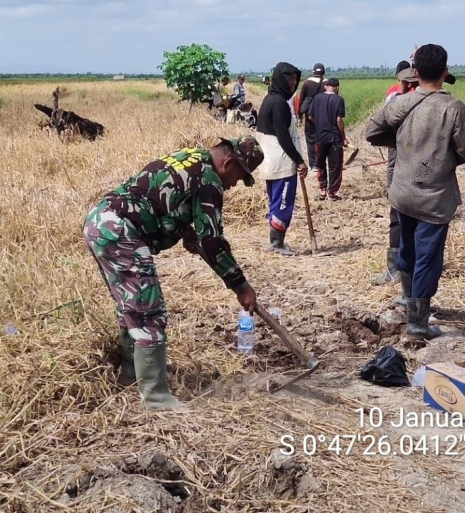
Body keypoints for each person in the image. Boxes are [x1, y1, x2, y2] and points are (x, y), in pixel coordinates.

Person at [83, 136, 263, 410]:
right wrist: (241, 286)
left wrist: (184, 230)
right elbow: (213, 243)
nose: (233, 184)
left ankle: (132, 376)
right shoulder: (210, 180)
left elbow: (162, 197)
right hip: (122, 231)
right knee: (148, 311)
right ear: (228, 163)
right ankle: (156, 399)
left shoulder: (189, 156)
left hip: (100, 221)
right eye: (238, 177)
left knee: (131, 306)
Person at [364, 44, 465, 342]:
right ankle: (417, 325)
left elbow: (371, 132)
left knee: (408, 250)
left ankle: (407, 301)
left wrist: (401, 141)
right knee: (428, 258)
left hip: (402, 191)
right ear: (445, 71)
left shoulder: (402, 102)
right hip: (433, 197)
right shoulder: (453, 108)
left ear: (415, 72)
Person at [256, 62, 308, 256]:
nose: (294, 83)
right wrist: (299, 160)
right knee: (283, 202)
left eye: (295, 79)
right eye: (291, 79)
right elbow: (283, 137)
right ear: (282, 79)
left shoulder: (270, 99)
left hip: (270, 159)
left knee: (276, 200)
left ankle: (276, 241)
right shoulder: (278, 104)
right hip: (281, 160)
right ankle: (276, 243)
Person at [375, 62, 419, 286]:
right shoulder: (438, 100)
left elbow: (377, 128)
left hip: (404, 166)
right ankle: (406, 273)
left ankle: (397, 272)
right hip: (423, 174)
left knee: (399, 218)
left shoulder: (398, 96)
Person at [308, 78, 348, 201]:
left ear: (326, 86)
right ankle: (332, 193)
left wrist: (320, 124)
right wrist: (344, 137)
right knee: (335, 166)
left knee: (320, 164)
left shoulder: (317, 98)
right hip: (334, 138)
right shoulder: (339, 99)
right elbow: (339, 120)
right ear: (336, 87)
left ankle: (322, 190)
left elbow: (310, 116)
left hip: (320, 137)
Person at [294, 63, 326, 172]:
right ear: (323, 72)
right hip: (324, 116)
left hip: (309, 116)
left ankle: (314, 165)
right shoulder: (328, 83)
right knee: (323, 139)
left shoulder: (307, 83)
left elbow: (301, 100)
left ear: (313, 72)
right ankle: (322, 163)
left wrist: (299, 116)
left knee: (311, 140)